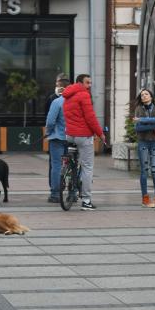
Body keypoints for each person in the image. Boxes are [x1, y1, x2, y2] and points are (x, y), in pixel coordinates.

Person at [62, 74, 106, 211]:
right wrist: (100, 134)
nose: (90, 85)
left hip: (70, 135)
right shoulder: (83, 94)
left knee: (74, 162)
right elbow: (90, 117)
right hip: (83, 135)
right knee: (87, 167)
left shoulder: (67, 96)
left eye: (91, 83)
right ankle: (86, 201)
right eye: (87, 82)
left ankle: (69, 174)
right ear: (80, 83)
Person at [133, 88, 155, 208]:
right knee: (144, 170)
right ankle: (145, 198)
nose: (144, 96)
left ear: (151, 96)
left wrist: (142, 120)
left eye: (146, 94)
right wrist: (151, 125)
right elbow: (137, 128)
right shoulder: (138, 109)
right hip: (143, 142)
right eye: (142, 95)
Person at [45, 77, 70, 203]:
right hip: (73, 138)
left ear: (60, 88)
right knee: (73, 164)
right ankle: (73, 193)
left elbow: (50, 121)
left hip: (57, 137)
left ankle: (55, 194)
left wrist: (48, 132)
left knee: (56, 165)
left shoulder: (57, 102)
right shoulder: (77, 101)